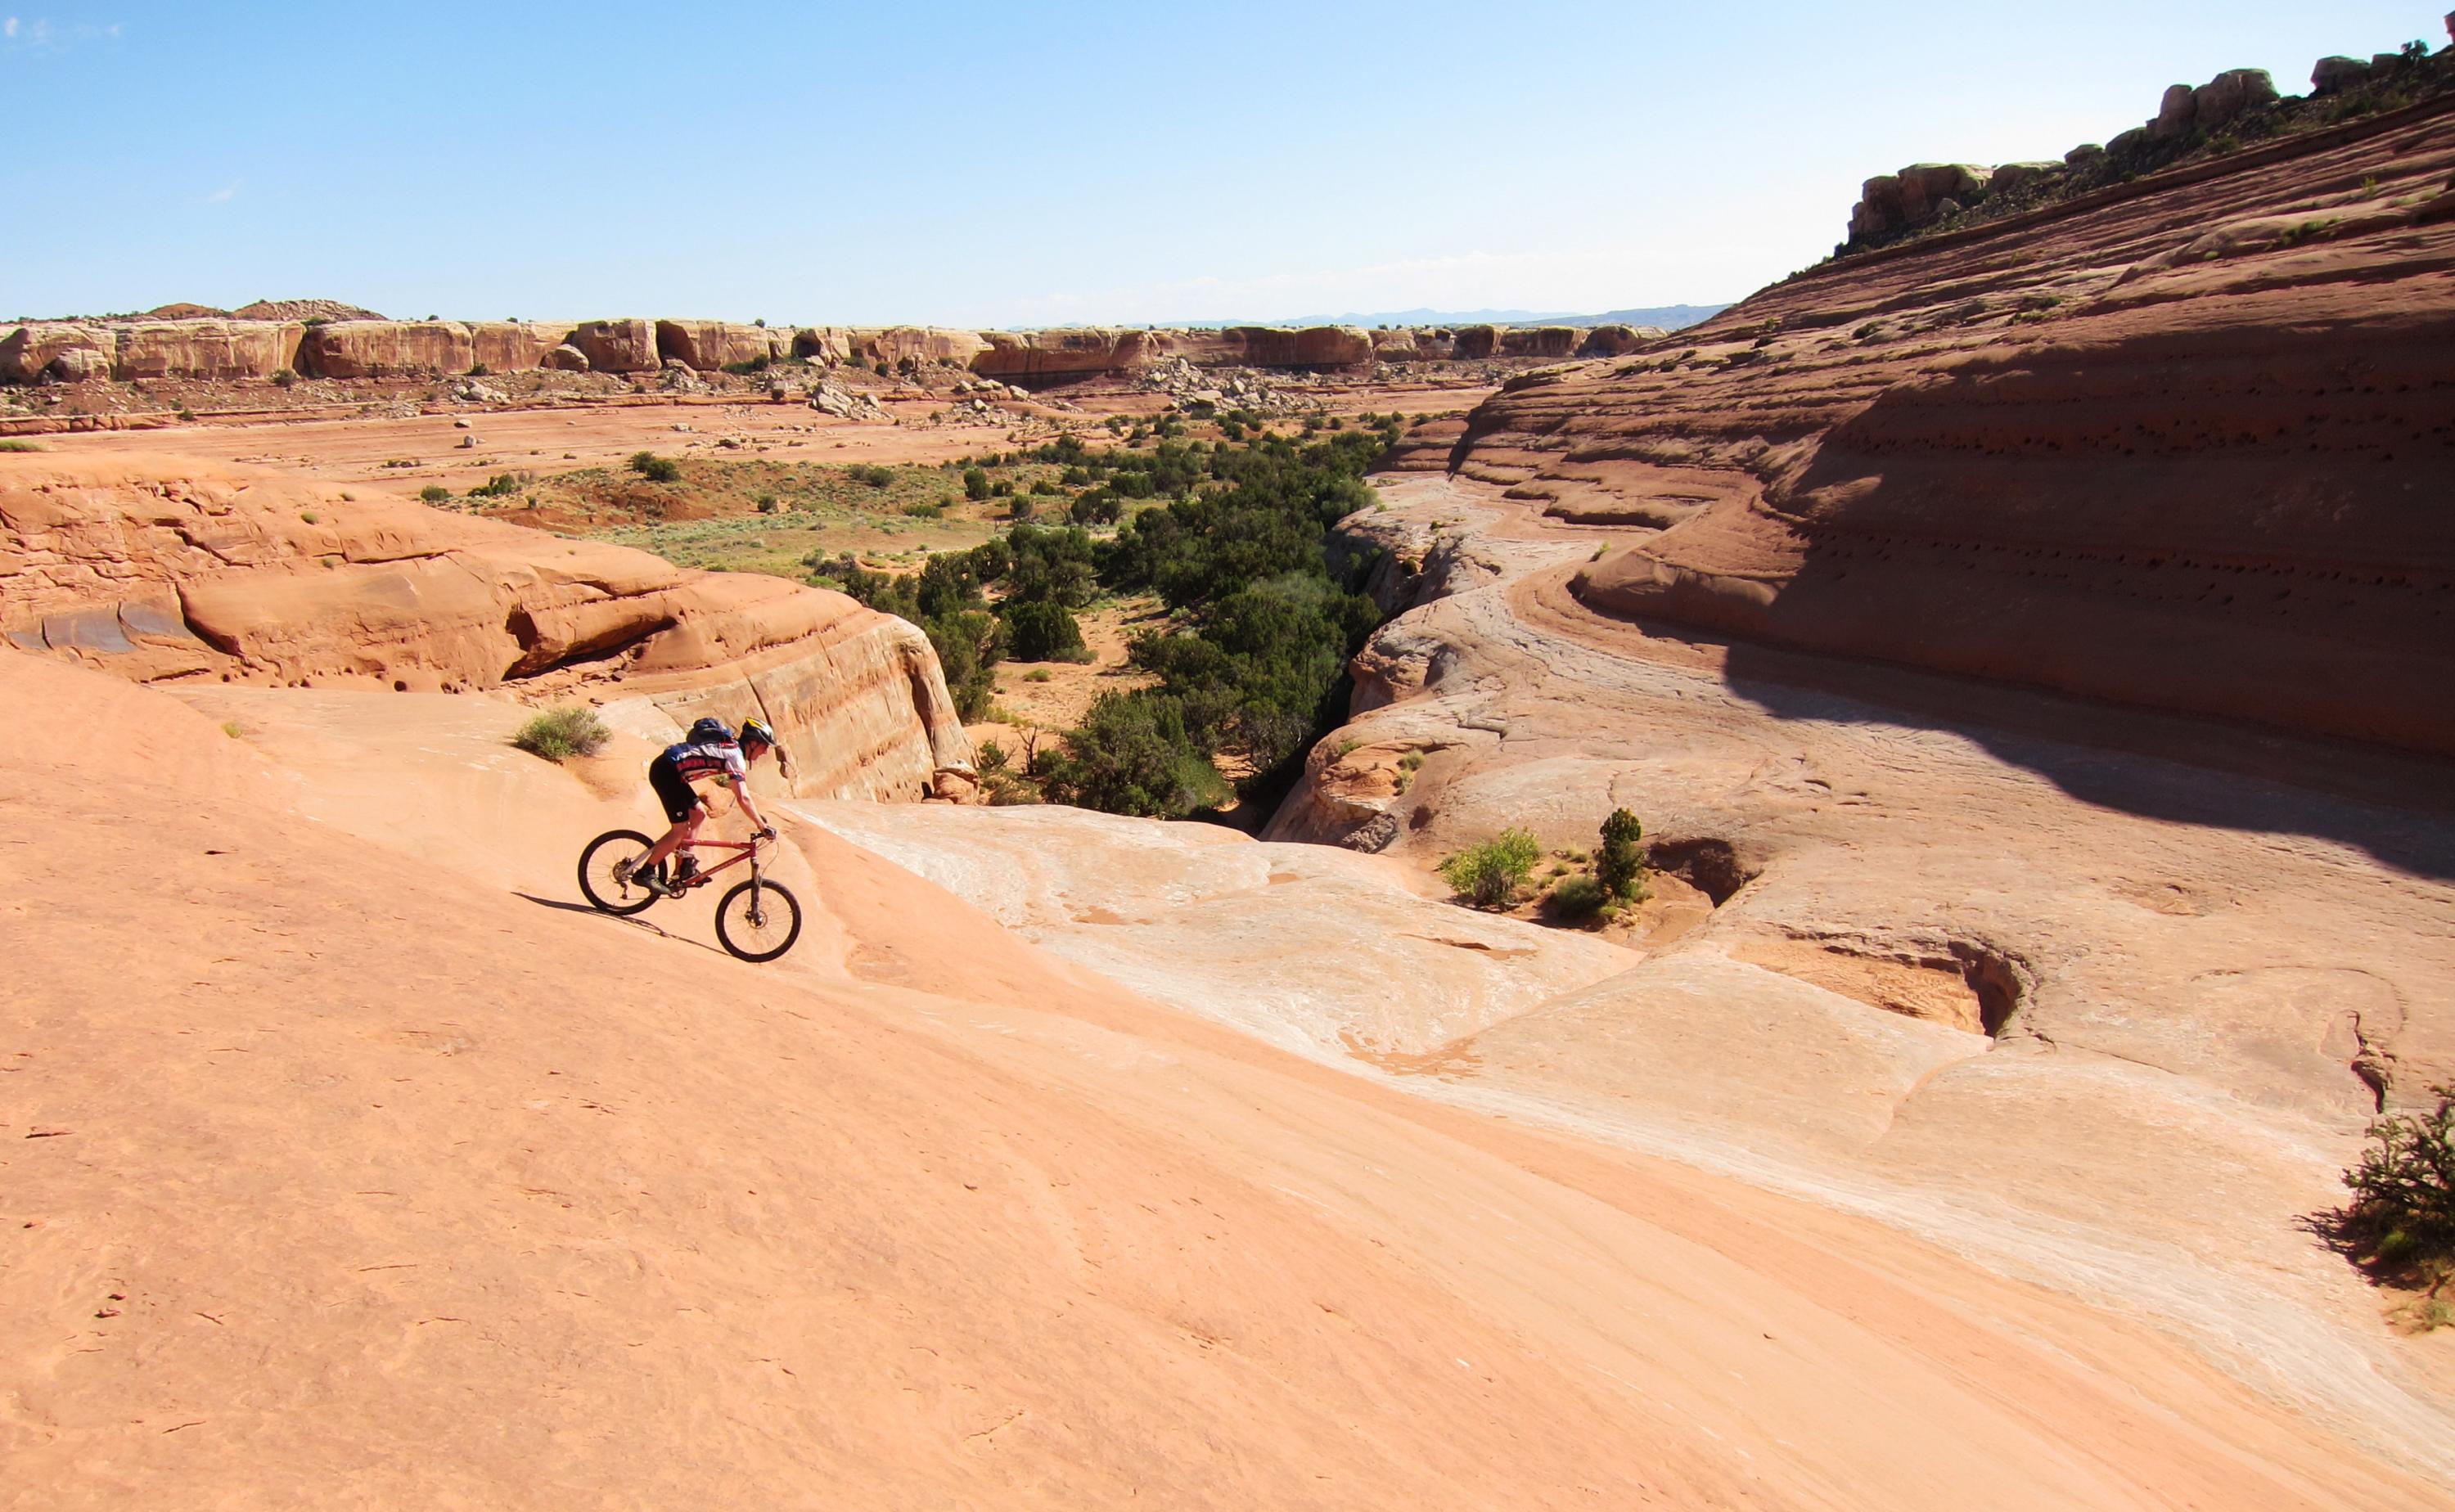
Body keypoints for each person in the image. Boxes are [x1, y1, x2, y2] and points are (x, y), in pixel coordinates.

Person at [619, 718, 782, 897]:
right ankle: (646, 872)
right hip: (666, 772)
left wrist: (758, 820)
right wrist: (761, 825)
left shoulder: (732, 750)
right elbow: (743, 797)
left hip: (673, 772)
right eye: (765, 746)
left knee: (699, 815)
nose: (766, 752)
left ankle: (685, 867)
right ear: (753, 743)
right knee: (680, 829)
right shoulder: (735, 756)